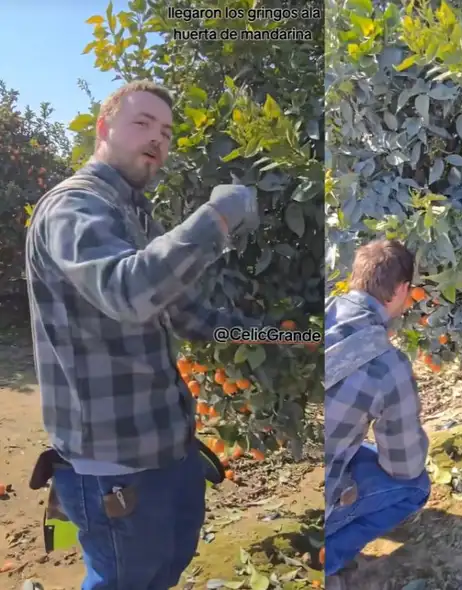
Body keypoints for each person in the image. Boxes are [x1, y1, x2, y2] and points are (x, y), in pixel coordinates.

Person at [24, 80, 261, 589]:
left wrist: (291, 339)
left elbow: (187, 314)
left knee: (163, 572)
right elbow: (127, 290)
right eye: (143, 123)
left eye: (167, 132)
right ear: (104, 128)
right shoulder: (72, 208)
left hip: (166, 449)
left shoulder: (133, 216)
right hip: (112, 465)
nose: (158, 139)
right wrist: (217, 217)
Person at [324, 239, 431, 589]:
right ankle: (328, 558)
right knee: (415, 486)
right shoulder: (386, 364)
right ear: (401, 290)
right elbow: (405, 465)